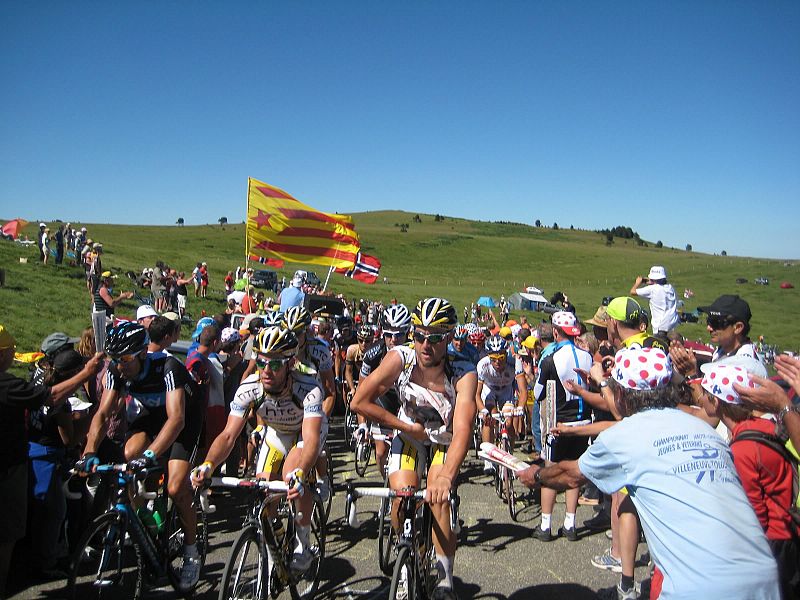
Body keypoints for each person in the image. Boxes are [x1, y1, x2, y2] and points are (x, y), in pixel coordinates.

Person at [518, 346, 780, 600]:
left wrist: (537, 476)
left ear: (621, 394)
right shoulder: (702, 428)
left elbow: (571, 475)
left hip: (699, 584)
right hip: (764, 574)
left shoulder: (626, 435)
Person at [352, 298, 477, 599]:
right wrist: (404, 426)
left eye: (434, 338)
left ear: (449, 337)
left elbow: (462, 430)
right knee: (400, 502)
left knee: (438, 501)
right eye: (419, 335)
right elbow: (359, 401)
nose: (425, 344)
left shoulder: (463, 371)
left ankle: (446, 580)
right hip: (409, 435)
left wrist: (447, 476)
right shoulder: (400, 358)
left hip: (443, 441)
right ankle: (410, 553)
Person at [76, 322, 203, 590]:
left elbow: (177, 420)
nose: (119, 366)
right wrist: (89, 450)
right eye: (115, 359)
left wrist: (150, 455)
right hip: (153, 415)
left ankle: (191, 551)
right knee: (127, 454)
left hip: (184, 417)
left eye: (125, 359)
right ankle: (141, 522)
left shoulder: (168, 367)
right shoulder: (116, 369)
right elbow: (102, 413)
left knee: (176, 486)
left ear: (143, 352)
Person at [191, 326, 326, 573]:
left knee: (291, 476)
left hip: (304, 433)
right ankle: (275, 533)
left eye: (275, 365)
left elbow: (311, 438)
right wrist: (208, 464)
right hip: (277, 432)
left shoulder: (308, 388)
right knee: (262, 489)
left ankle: (302, 544)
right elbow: (229, 434)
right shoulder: (249, 387)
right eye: (262, 362)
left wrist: (302, 471)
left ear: (291, 363)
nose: (266, 370)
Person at [0, 324, 102, 598]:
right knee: (48, 514)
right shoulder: (50, 398)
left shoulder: (31, 379)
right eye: (9, 349)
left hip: (30, 454)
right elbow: (68, 437)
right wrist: (92, 415)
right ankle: (38, 567)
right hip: (37, 459)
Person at [698, 361, 799, 598]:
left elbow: (754, 514)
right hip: (789, 530)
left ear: (717, 402)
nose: (700, 399)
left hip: (773, 543)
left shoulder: (743, 449)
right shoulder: (765, 427)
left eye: (705, 394)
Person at [532, 311, 592, 542]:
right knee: (573, 473)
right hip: (583, 422)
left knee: (549, 472)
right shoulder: (588, 356)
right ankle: (570, 523)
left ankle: (546, 525)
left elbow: (538, 393)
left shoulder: (551, 359)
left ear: (555, 332)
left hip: (558, 423)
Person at [475, 335, 527, 474]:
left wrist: (520, 407)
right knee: (489, 420)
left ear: (506, 354)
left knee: (509, 422)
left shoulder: (515, 363)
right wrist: (482, 410)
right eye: (493, 359)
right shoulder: (482, 365)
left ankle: (509, 453)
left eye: (501, 358)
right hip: (489, 391)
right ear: (488, 356)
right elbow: (477, 393)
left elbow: (522, 390)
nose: (497, 362)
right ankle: (489, 461)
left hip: (506, 392)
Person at [630, 265, 679, 337]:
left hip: (659, 327)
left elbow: (632, 292)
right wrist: (651, 282)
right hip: (671, 325)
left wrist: (637, 283)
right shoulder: (670, 288)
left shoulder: (652, 289)